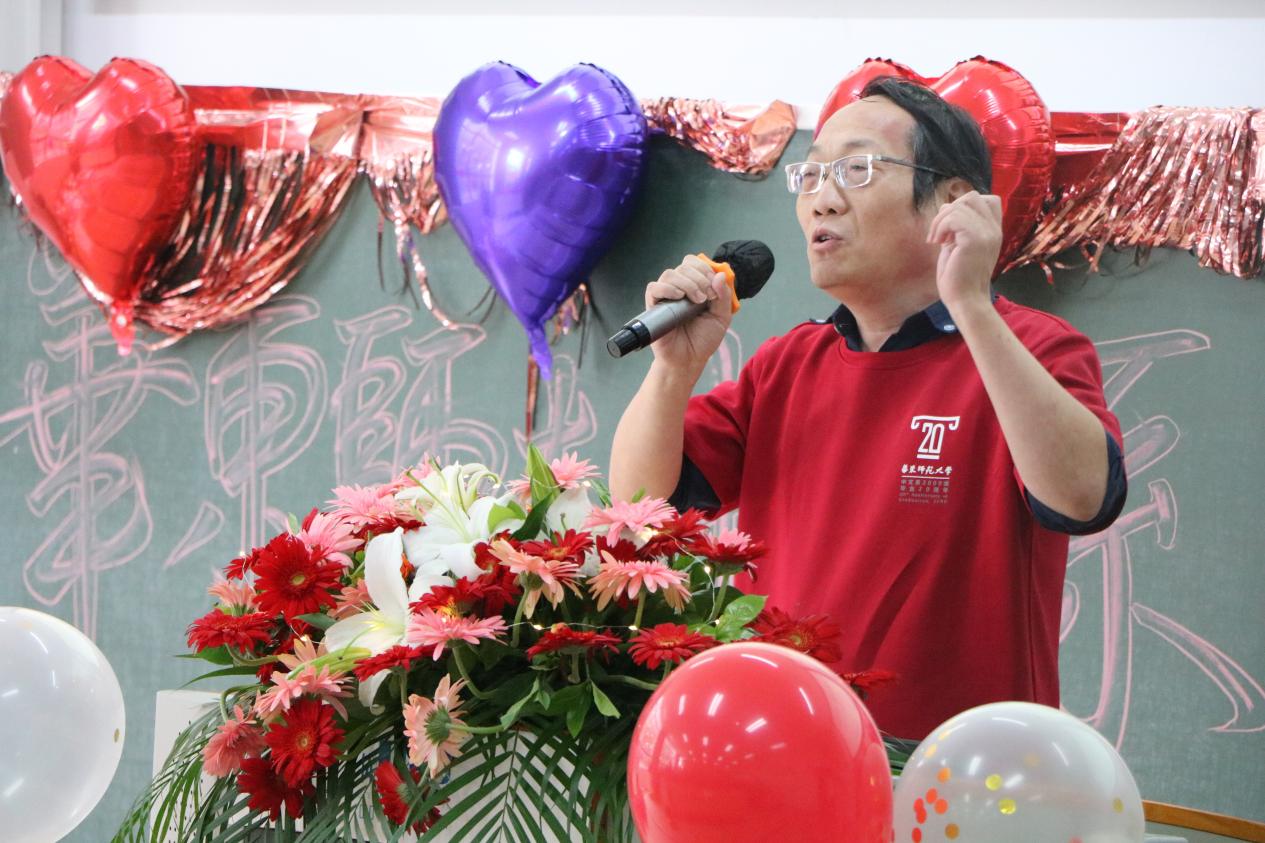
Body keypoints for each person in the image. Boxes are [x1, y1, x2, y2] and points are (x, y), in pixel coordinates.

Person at [608, 77, 1126, 741]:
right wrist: (672, 369)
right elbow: (640, 506)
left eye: (856, 169)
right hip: (782, 748)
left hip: (961, 769)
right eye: (812, 174)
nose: (822, 198)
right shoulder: (787, 363)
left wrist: (970, 303)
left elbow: (1085, 499)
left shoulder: (1032, 347)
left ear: (952, 202)